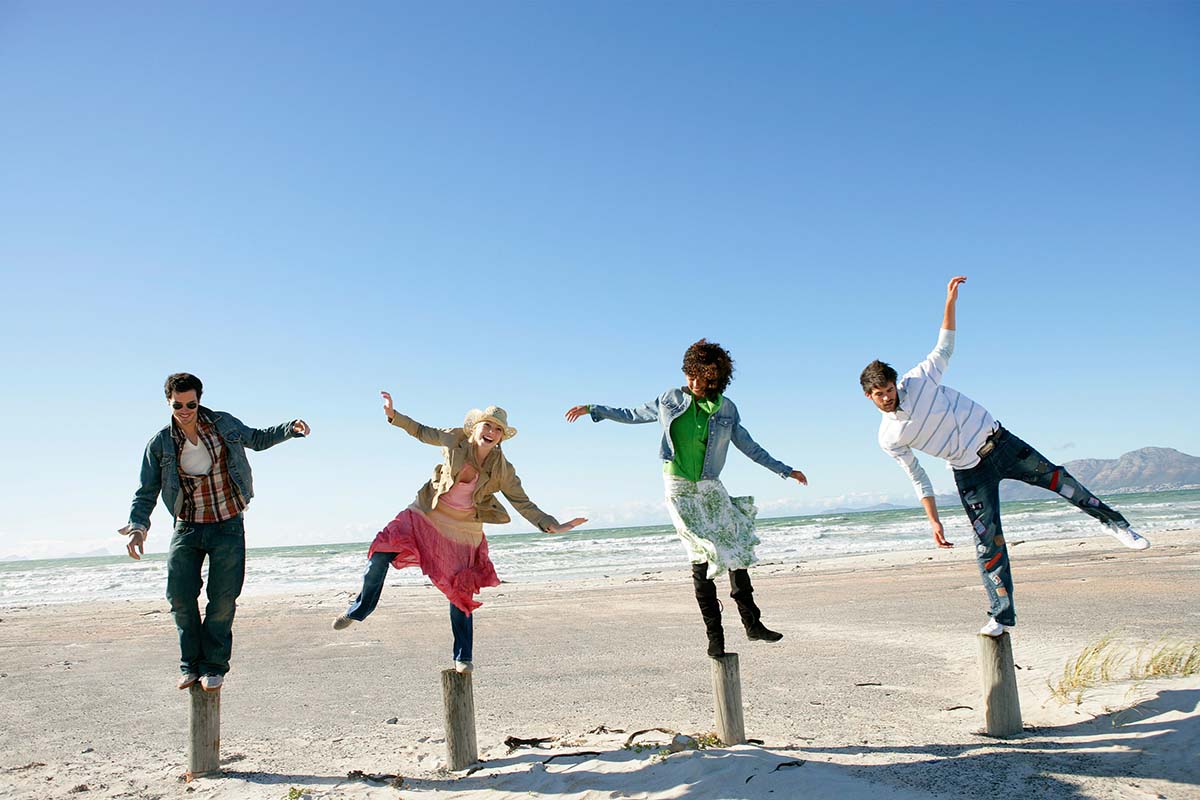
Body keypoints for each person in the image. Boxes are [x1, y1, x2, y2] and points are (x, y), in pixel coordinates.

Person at [861, 276, 1150, 637]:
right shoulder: (889, 437)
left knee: (1062, 481)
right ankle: (1001, 615)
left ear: (895, 384)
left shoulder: (919, 380)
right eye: (878, 393)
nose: (886, 396)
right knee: (988, 542)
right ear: (868, 397)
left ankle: (1117, 524)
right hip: (969, 473)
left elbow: (945, 347)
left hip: (1002, 444)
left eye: (888, 389)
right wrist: (933, 520)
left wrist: (950, 301)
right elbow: (917, 476)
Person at [565, 339, 808, 658]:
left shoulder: (726, 408)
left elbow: (749, 445)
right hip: (678, 485)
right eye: (690, 375)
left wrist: (784, 470)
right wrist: (594, 409)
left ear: (716, 378)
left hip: (710, 485)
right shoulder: (670, 398)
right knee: (700, 553)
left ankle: (752, 623)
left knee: (735, 547)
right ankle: (715, 636)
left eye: (702, 377)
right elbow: (632, 414)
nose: (694, 383)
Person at [333, 392, 586, 673]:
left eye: (497, 429)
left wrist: (552, 524)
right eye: (487, 425)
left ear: (501, 437)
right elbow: (421, 431)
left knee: (460, 591)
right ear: (475, 427)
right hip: (425, 514)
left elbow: (523, 503)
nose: (491, 432)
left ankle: (463, 656)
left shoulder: (503, 469)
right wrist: (394, 416)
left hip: (463, 530)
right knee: (381, 553)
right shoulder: (454, 439)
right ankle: (360, 609)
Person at [120, 373, 310, 691]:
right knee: (179, 596)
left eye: (190, 404)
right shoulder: (161, 443)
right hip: (188, 525)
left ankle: (213, 665)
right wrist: (138, 527)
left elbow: (257, 439)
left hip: (227, 524)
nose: (185, 410)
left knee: (222, 599)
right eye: (178, 405)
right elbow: (146, 490)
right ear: (169, 402)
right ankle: (190, 665)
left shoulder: (223, 424)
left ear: (199, 400)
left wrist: (289, 429)